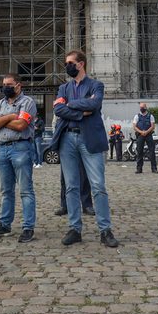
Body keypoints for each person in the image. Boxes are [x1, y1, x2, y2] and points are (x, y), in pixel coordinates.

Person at [50, 50, 119, 247]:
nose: (68, 66)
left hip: (89, 139)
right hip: (67, 139)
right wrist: (82, 112)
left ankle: (105, 230)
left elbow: (95, 104)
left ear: (81, 64)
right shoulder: (64, 88)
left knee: (98, 186)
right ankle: (74, 228)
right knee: (71, 186)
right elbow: (58, 109)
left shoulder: (96, 85)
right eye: (66, 63)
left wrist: (70, 105)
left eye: (71, 63)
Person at [0, 73, 38, 242]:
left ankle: (28, 227)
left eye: (9, 84)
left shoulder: (27, 102)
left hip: (21, 147)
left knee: (25, 190)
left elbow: (22, 125)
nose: (5, 87)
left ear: (18, 85)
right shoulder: (1, 103)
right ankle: (4, 224)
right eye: (4, 84)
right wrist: (9, 117)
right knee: (6, 191)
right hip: (2, 150)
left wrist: (0, 120)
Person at [133, 103, 157, 174]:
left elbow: (152, 126)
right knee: (139, 151)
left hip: (148, 134)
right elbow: (134, 126)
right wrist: (141, 132)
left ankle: (154, 168)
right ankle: (139, 169)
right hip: (140, 135)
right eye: (140, 107)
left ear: (146, 107)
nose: (141, 109)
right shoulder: (137, 116)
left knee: (152, 151)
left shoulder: (150, 116)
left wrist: (146, 132)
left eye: (142, 107)